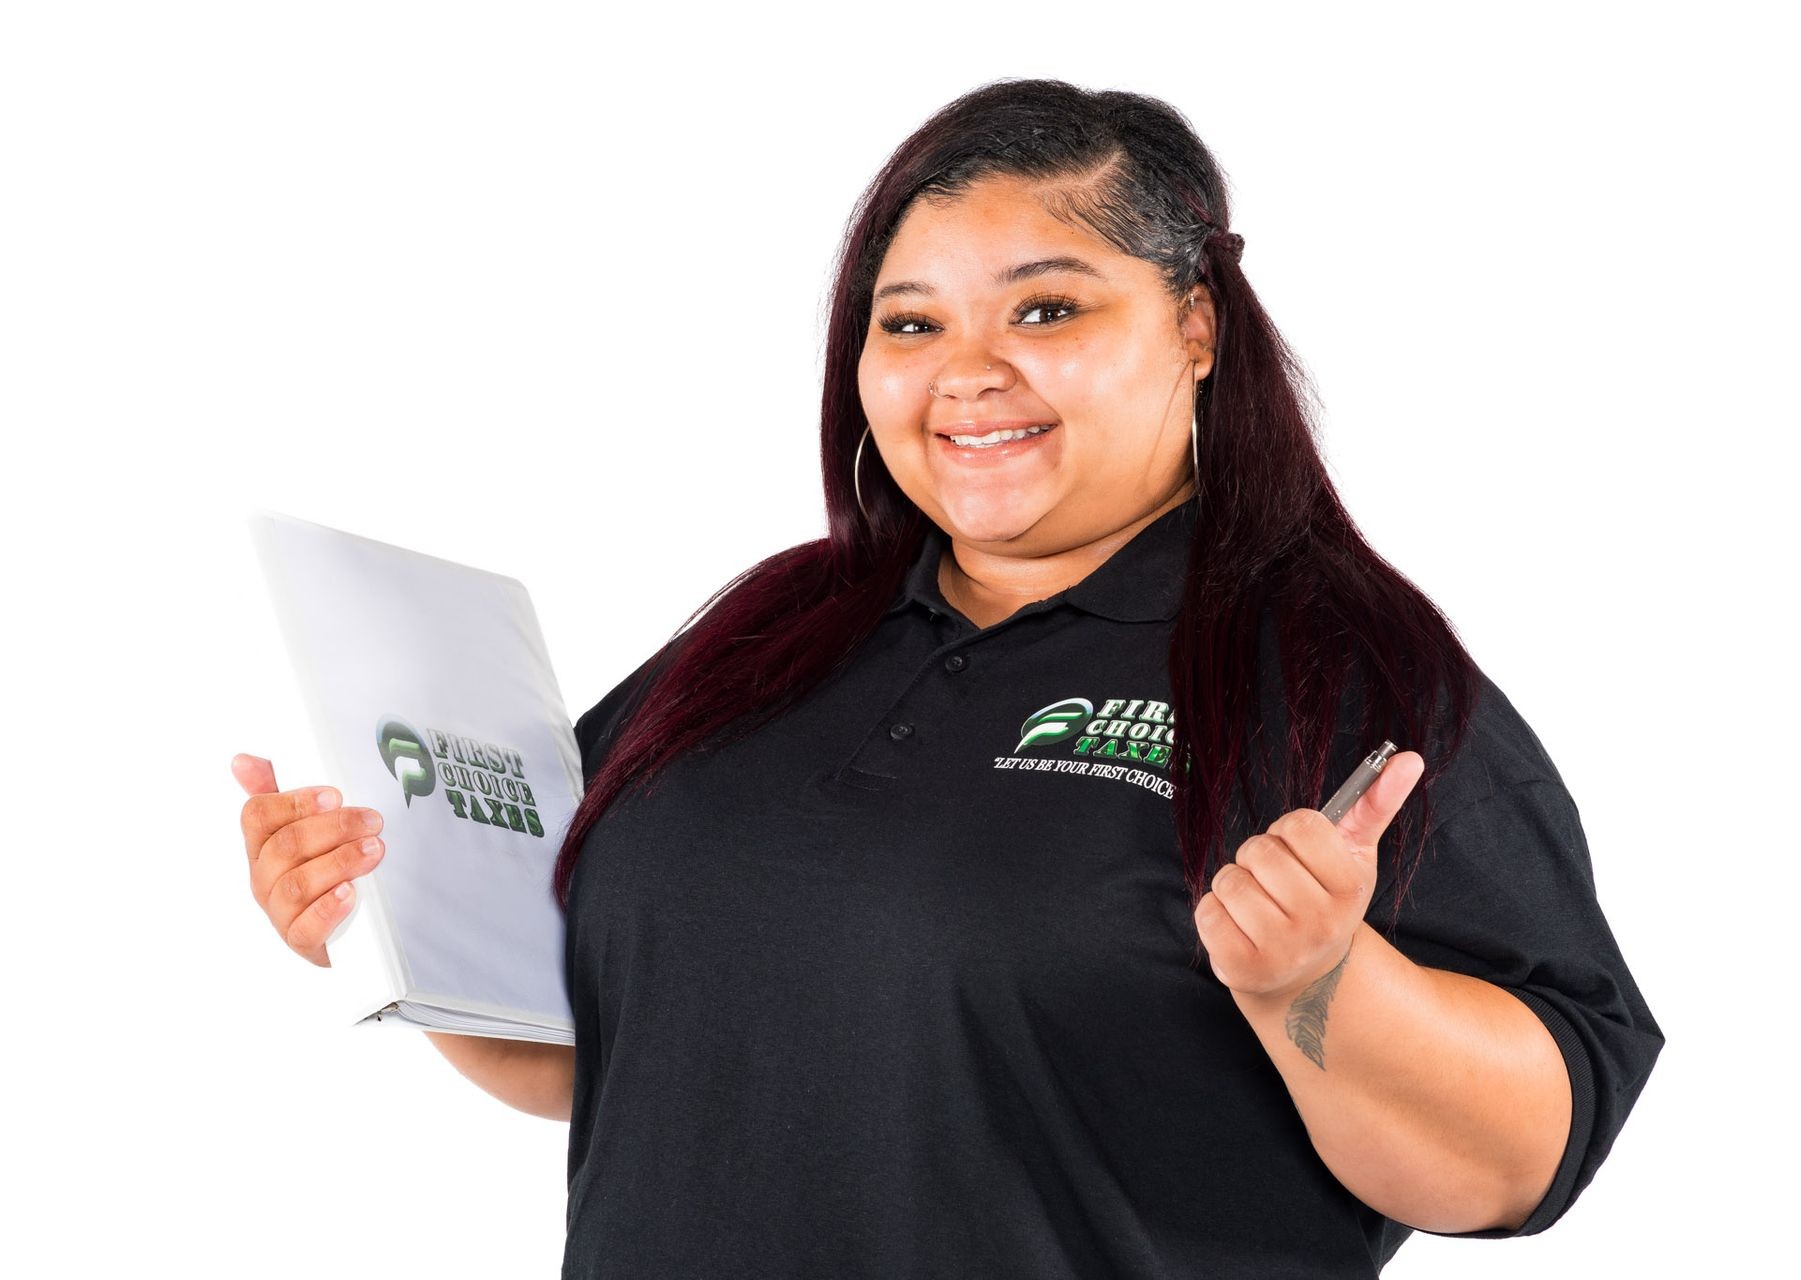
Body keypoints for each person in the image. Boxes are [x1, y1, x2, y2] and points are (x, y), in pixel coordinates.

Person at [233, 78, 1664, 1278]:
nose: (963, 375)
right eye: (909, 324)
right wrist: (384, 901)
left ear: (1195, 328)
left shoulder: (1342, 674)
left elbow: (1521, 1162)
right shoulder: (769, 639)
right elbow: (594, 1051)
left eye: (1046, 311)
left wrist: (1321, 982)